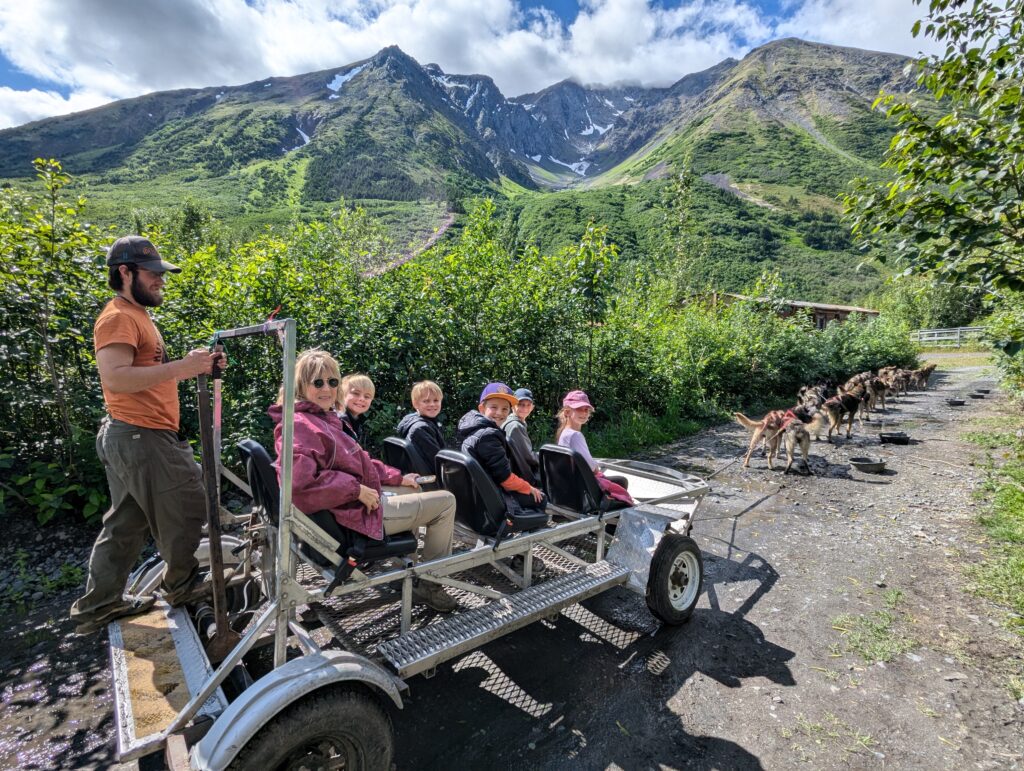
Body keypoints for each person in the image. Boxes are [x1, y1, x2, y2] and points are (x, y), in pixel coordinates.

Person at [70, 236, 227, 636]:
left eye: (161, 273)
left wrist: (195, 365)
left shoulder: (136, 314)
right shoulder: (119, 317)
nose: (160, 280)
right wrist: (182, 368)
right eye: (153, 273)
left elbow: (145, 370)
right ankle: (184, 587)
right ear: (125, 272)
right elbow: (116, 378)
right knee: (185, 504)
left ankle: (100, 605)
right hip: (141, 437)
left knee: (126, 524)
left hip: (130, 436)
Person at [270, 351, 458, 612]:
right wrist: (355, 490)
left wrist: (399, 477)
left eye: (332, 382)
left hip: (347, 508)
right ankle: (430, 584)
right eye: (318, 382)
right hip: (349, 519)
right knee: (446, 502)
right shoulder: (303, 425)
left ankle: (404, 568)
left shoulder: (322, 420)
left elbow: (361, 462)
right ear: (301, 385)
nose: (327, 389)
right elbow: (299, 486)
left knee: (410, 488)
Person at [457, 382, 545, 509]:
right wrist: (529, 488)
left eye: (505, 409)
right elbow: (506, 480)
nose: (499, 413)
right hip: (490, 498)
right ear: (482, 408)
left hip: (480, 491)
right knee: (540, 498)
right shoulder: (488, 436)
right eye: (494, 407)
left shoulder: (473, 428)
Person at [555, 390, 633, 506]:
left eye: (586, 409)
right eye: (579, 409)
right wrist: (597, 468)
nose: (584, 413)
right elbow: (591, 467)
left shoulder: (563, 433)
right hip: (583, 487)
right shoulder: (575, 435)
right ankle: (613, 522)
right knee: (622, 481)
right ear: (567, 412)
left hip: (571, 483)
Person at [395, 380, 447, 473]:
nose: (432, 404)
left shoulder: (424, 422)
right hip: (429, 478)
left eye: (436, 400)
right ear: (415, 404)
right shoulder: (421, 429)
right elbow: (439, 462)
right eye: (426, 401)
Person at [502, 387, 539, 486]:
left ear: (532, 407)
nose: (525, 408)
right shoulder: (516, 426)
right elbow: (529, 457)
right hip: (521, 475)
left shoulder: (510, 420)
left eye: (528, 405)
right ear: (513, 406)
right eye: (521, 405)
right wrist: (545, 459)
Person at [337, 372, 373, 445]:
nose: (362, 399)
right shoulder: (340, 421)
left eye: (367, 396)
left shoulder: (356, 419)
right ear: (342, 395)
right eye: (356, 393)